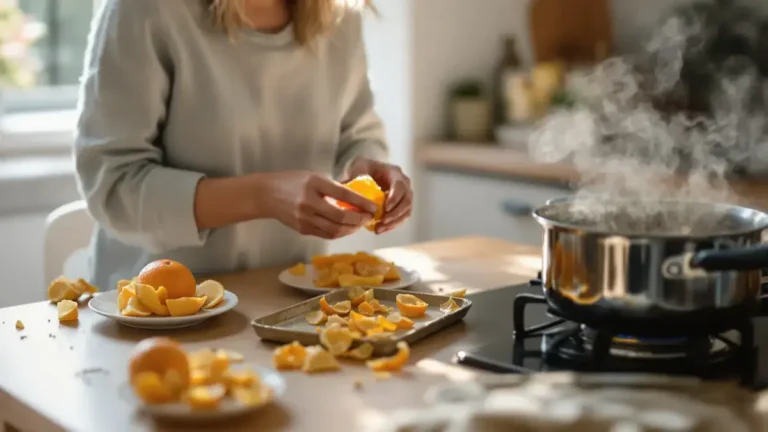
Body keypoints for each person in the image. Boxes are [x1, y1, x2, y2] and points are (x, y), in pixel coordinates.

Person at [74, 0, 413, 290]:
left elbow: (358, 134)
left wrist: (364, 167)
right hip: (154, 314)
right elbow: (113, 186)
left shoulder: (340, 14)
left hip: (290, 305)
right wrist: (263, 196)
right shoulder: (145, 9)